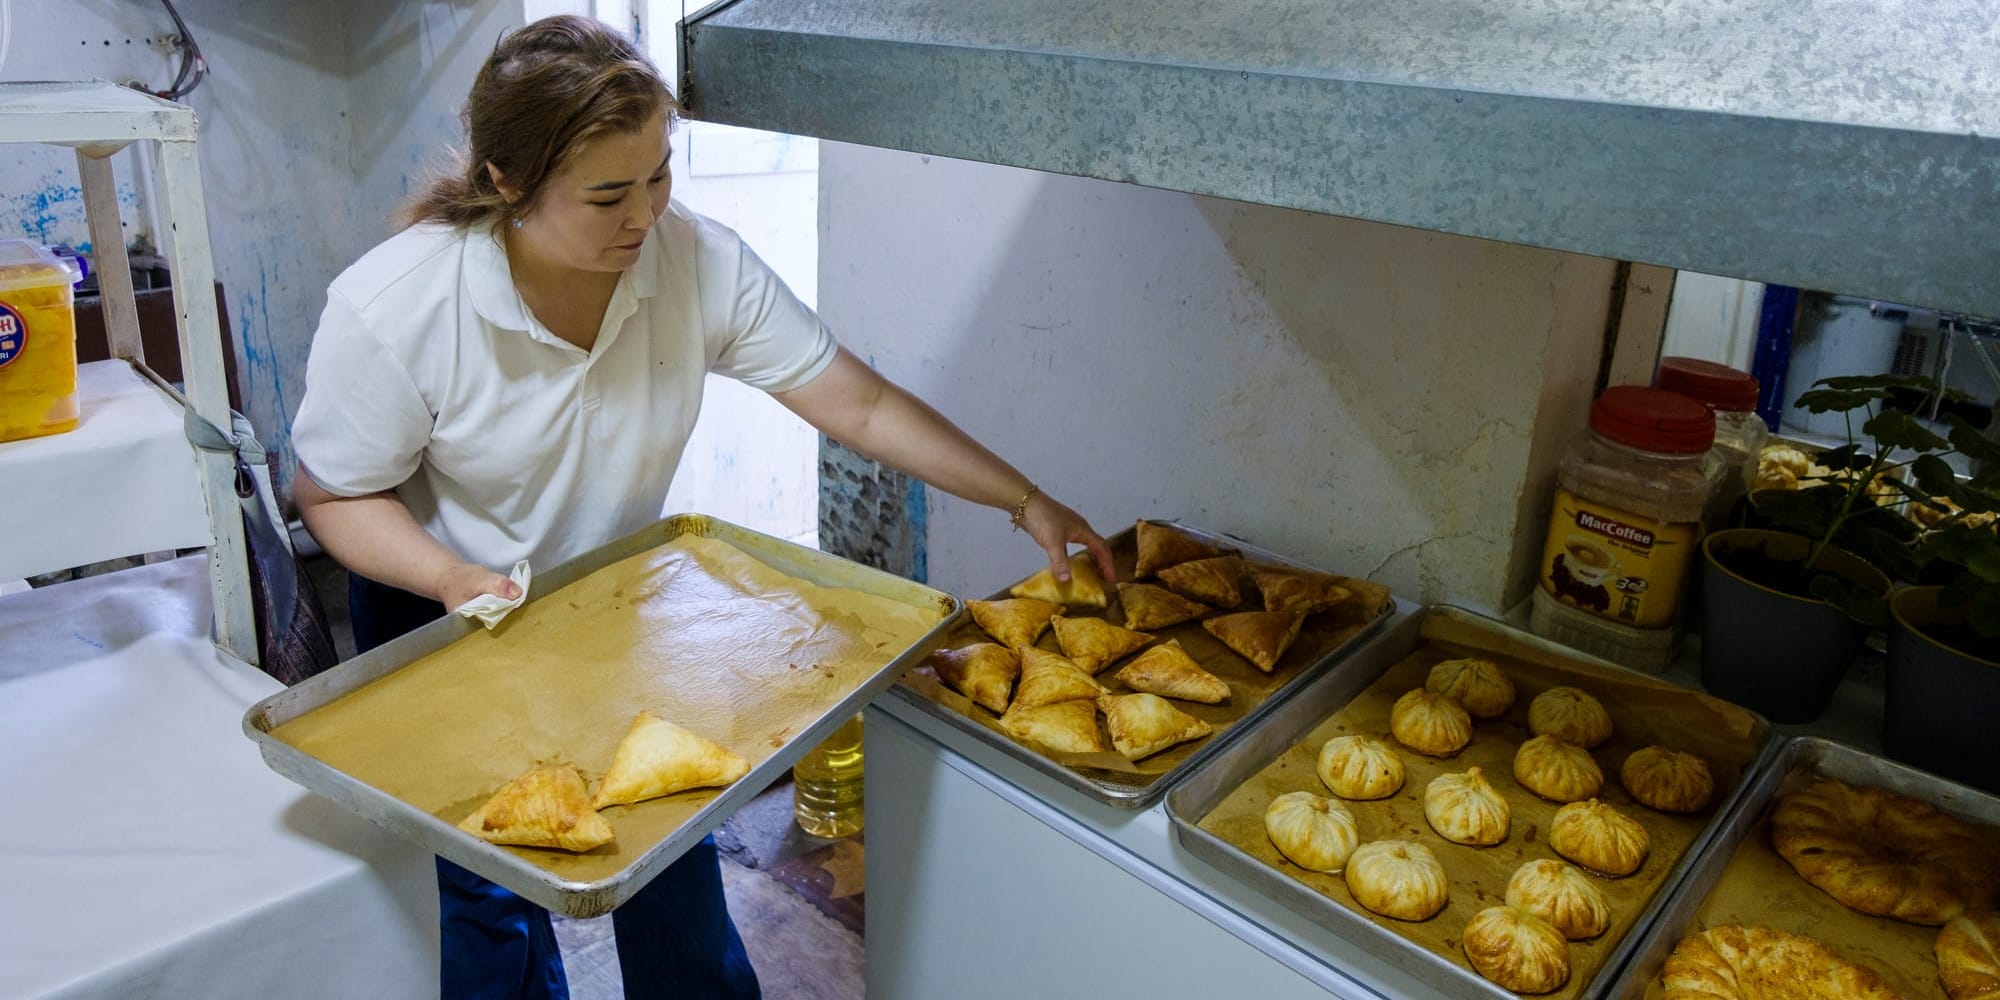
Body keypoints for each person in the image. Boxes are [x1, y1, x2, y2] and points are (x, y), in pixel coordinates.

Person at [289, 14, 1112, 1000]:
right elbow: (333, 493)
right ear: (506, 183)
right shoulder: (399, 307)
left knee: (664, 845)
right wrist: (448, 575)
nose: (644, 216)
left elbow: (860, 402)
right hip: (442, 605)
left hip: (607, 596)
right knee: (489, 884)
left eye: (659, 175)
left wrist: (1024, 498)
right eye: (607, 194)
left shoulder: (692, 262)